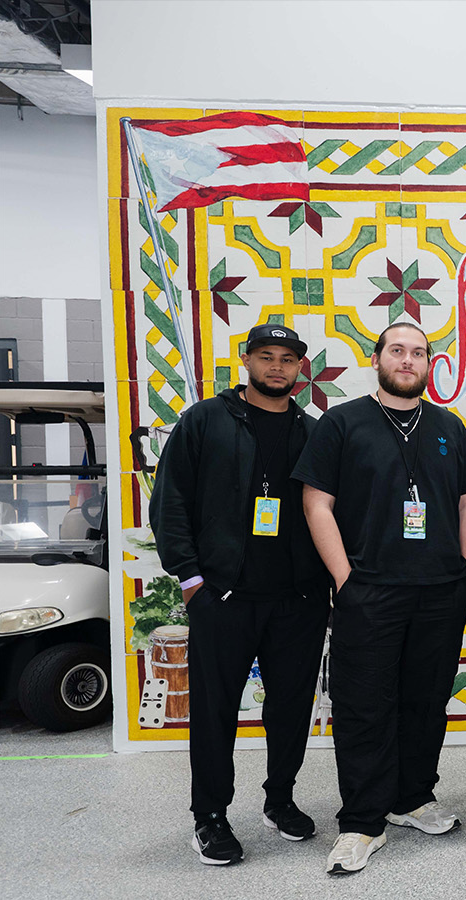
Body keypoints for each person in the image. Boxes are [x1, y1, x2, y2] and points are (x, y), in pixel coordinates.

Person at [293, 322, 466, 876]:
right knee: (364, 706)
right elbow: (316, 503)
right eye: (397, 350)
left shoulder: (448, 426)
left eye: (418, 353)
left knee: (426, 701)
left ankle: (412, 797)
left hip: (440, 592)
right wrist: (345, 580)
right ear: (377, 360)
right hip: (370, 591)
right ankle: (361, 822)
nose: (407, 360)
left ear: (429, 365)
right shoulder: (343, 422)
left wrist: (465, 569)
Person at [149, 322, 330, 865]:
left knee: (291, 708)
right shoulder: (205, 420)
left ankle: (280, 800)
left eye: (287, 359)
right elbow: (170, 502)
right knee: (215, 711)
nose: (277, 366)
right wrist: (191, 580)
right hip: (223, 598)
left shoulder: (314, 431)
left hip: (298, 599)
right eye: (266, 356)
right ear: (247, 361)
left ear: (300, 370)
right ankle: (209, 816)